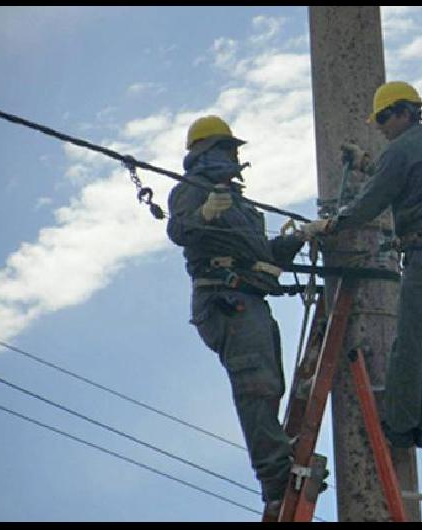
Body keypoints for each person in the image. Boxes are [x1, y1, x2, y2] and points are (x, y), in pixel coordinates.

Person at [302, 81, 422, 450]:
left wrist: (332, 224)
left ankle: (399, 424)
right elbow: (407, 178)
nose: (379, 126)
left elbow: (372, 201)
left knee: (410, 341)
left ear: (403, 112)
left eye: (383, 118)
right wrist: (368, 164)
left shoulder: (401, 150)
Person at [166, 116, 305, 514]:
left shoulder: (241, 205)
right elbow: (180, 231)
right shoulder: (193, 190)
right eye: (227, 149)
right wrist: (204, 214)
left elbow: (262, 255)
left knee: (270, 383)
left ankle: (277, 456)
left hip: (248, 299)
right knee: (256, 385)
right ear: (205, 152)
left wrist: (297, 240)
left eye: (234, 150)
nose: (234, 157)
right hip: (224, 300)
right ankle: (275, 476)